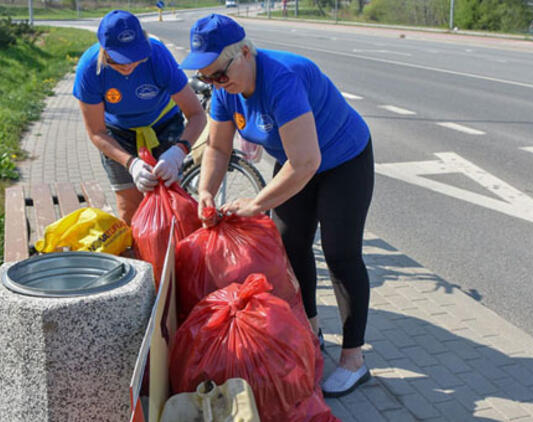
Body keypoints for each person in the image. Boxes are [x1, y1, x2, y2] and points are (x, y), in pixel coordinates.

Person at [180, 14, 374, 397]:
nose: (216, 84)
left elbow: (307, 164)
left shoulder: (283, 79)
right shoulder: (226, 89)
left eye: (219, 74)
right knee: (291, 244)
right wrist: (205, 189)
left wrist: (255, 204)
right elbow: (218, 147)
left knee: (340, 254)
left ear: (246, 53)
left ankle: (353, 360)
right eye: (206, 78)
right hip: (297, 161)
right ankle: (311, 330)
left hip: (342, 160)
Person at [73, 10, 206, 224]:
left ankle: (173, 255)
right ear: (103, 50)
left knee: (172, 207)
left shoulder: (157, 55)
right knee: (129, 209)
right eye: (117, 60)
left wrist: (178, 151)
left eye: (134, 57)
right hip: (117, 134)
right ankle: (136, 255)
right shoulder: (89, 69)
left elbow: (197, 115)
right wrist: (130, 163)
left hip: (164, 125)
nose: (127, 65)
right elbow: (96, 132)